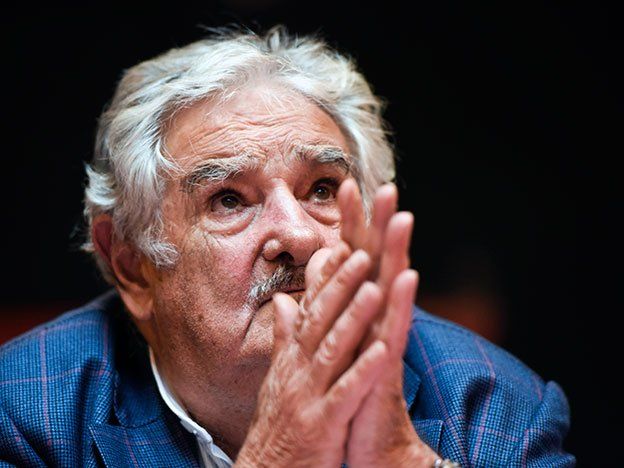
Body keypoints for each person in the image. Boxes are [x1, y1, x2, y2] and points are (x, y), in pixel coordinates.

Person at [0, 25, 574, 467]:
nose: (297, 237)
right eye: (229, 199)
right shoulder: (24, 415)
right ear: (132, 264)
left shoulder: (497, 408)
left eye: (322, 189)